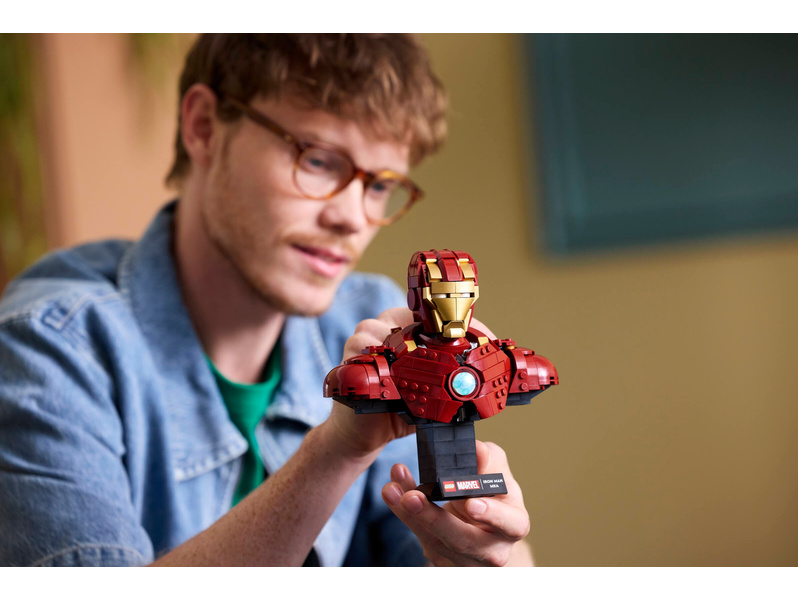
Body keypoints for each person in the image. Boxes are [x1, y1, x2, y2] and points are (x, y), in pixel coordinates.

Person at [0, 33, 533, 566]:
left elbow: (436, 556)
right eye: (318, 160)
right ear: (204, 127)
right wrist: (336, 450)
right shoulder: (48, 347)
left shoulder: (369, 320)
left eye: (379, 187)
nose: (353, 217)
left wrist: (483, 550)